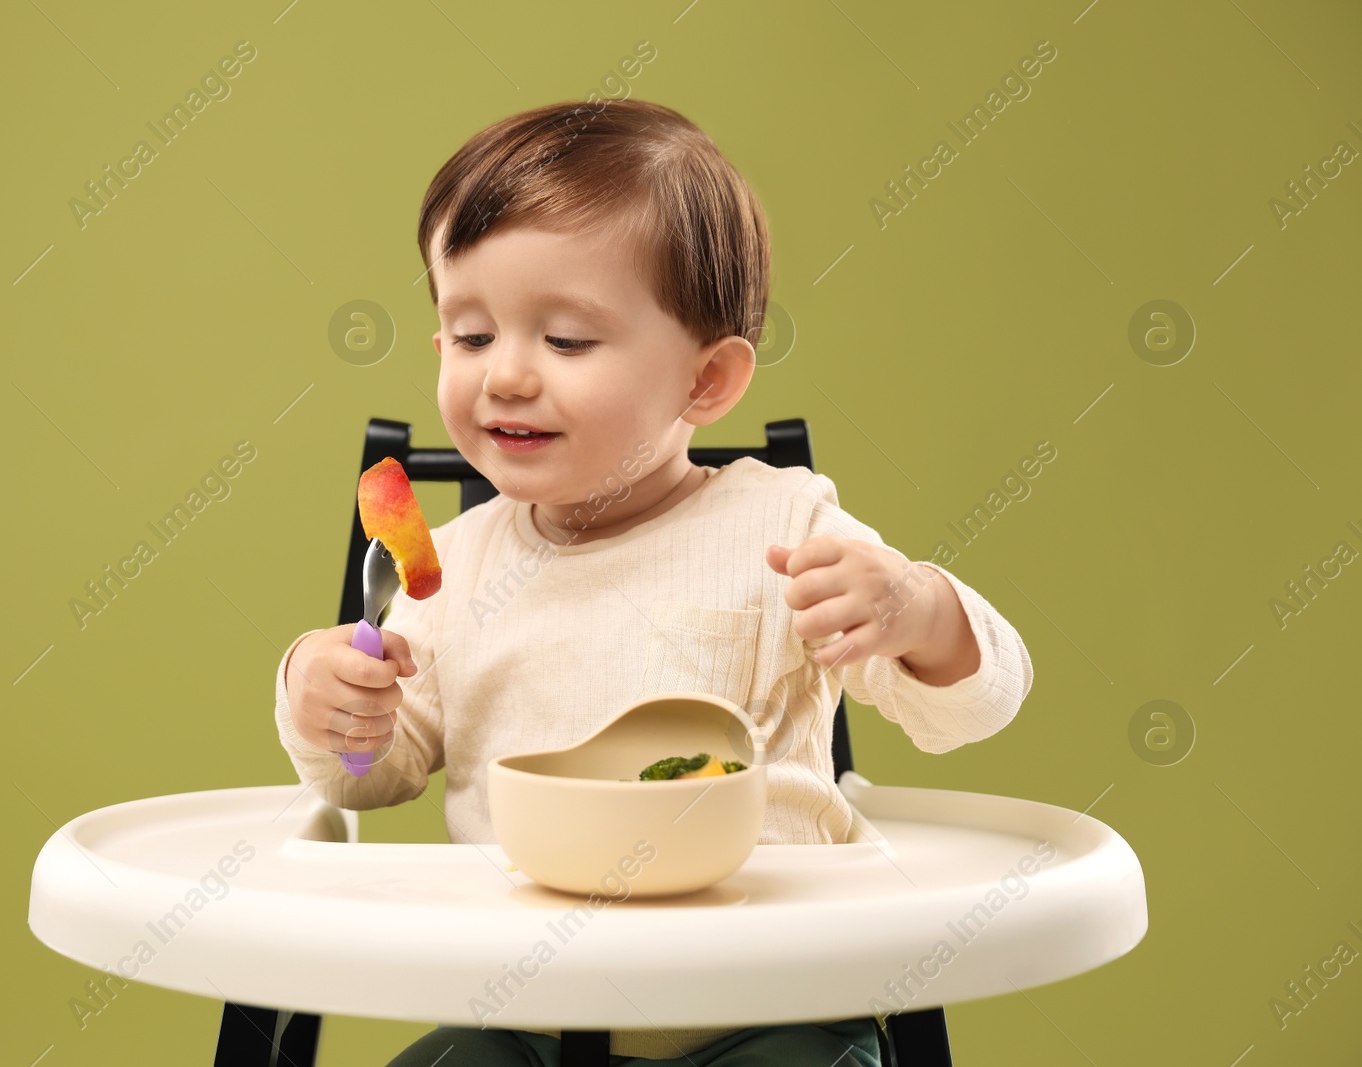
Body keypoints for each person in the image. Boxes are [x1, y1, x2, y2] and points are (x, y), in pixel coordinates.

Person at [273, 97, 1033, 1066]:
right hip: (523, 1016)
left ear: (705, 382)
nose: (503, 374)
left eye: (566, 340)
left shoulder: (784, 528)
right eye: (470, 335)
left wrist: (915, 609)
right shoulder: (447, 565)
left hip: (766, 1005)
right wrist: (324, 698)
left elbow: (978, 702)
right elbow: (375, 775)